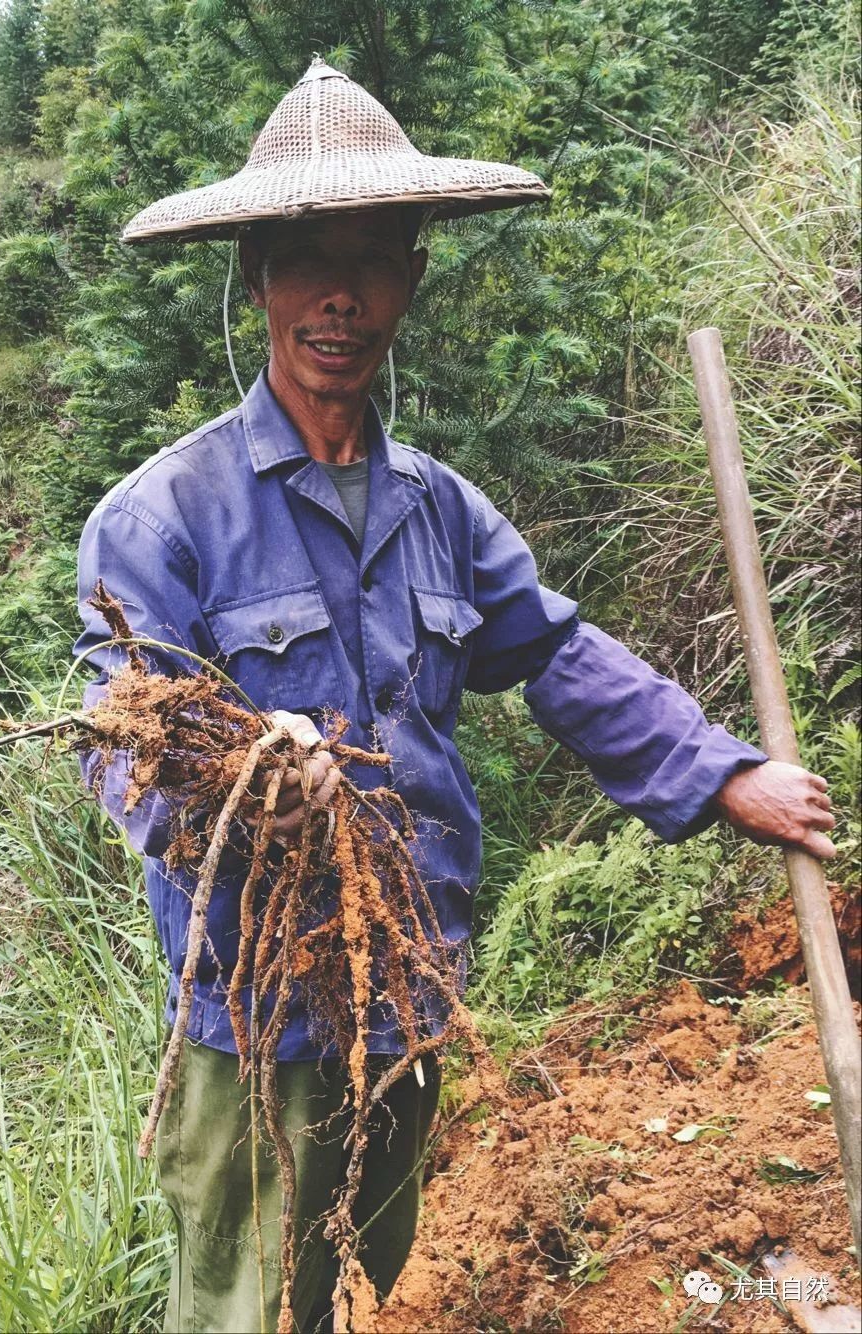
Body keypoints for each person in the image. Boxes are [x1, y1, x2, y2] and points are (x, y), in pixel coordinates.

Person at [72, 60, 835, 1334]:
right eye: (309, 255)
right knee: (247, 1308)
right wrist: (244, 769)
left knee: (374, 1280)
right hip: (252, 1022)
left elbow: (555, 653)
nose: (340, 295)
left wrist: (718, 771)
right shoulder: (163, 518)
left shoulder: (441, 509)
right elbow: (126, 748)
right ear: (256, 271)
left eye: (373, 258)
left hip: (411, 1001)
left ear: (412, 279)